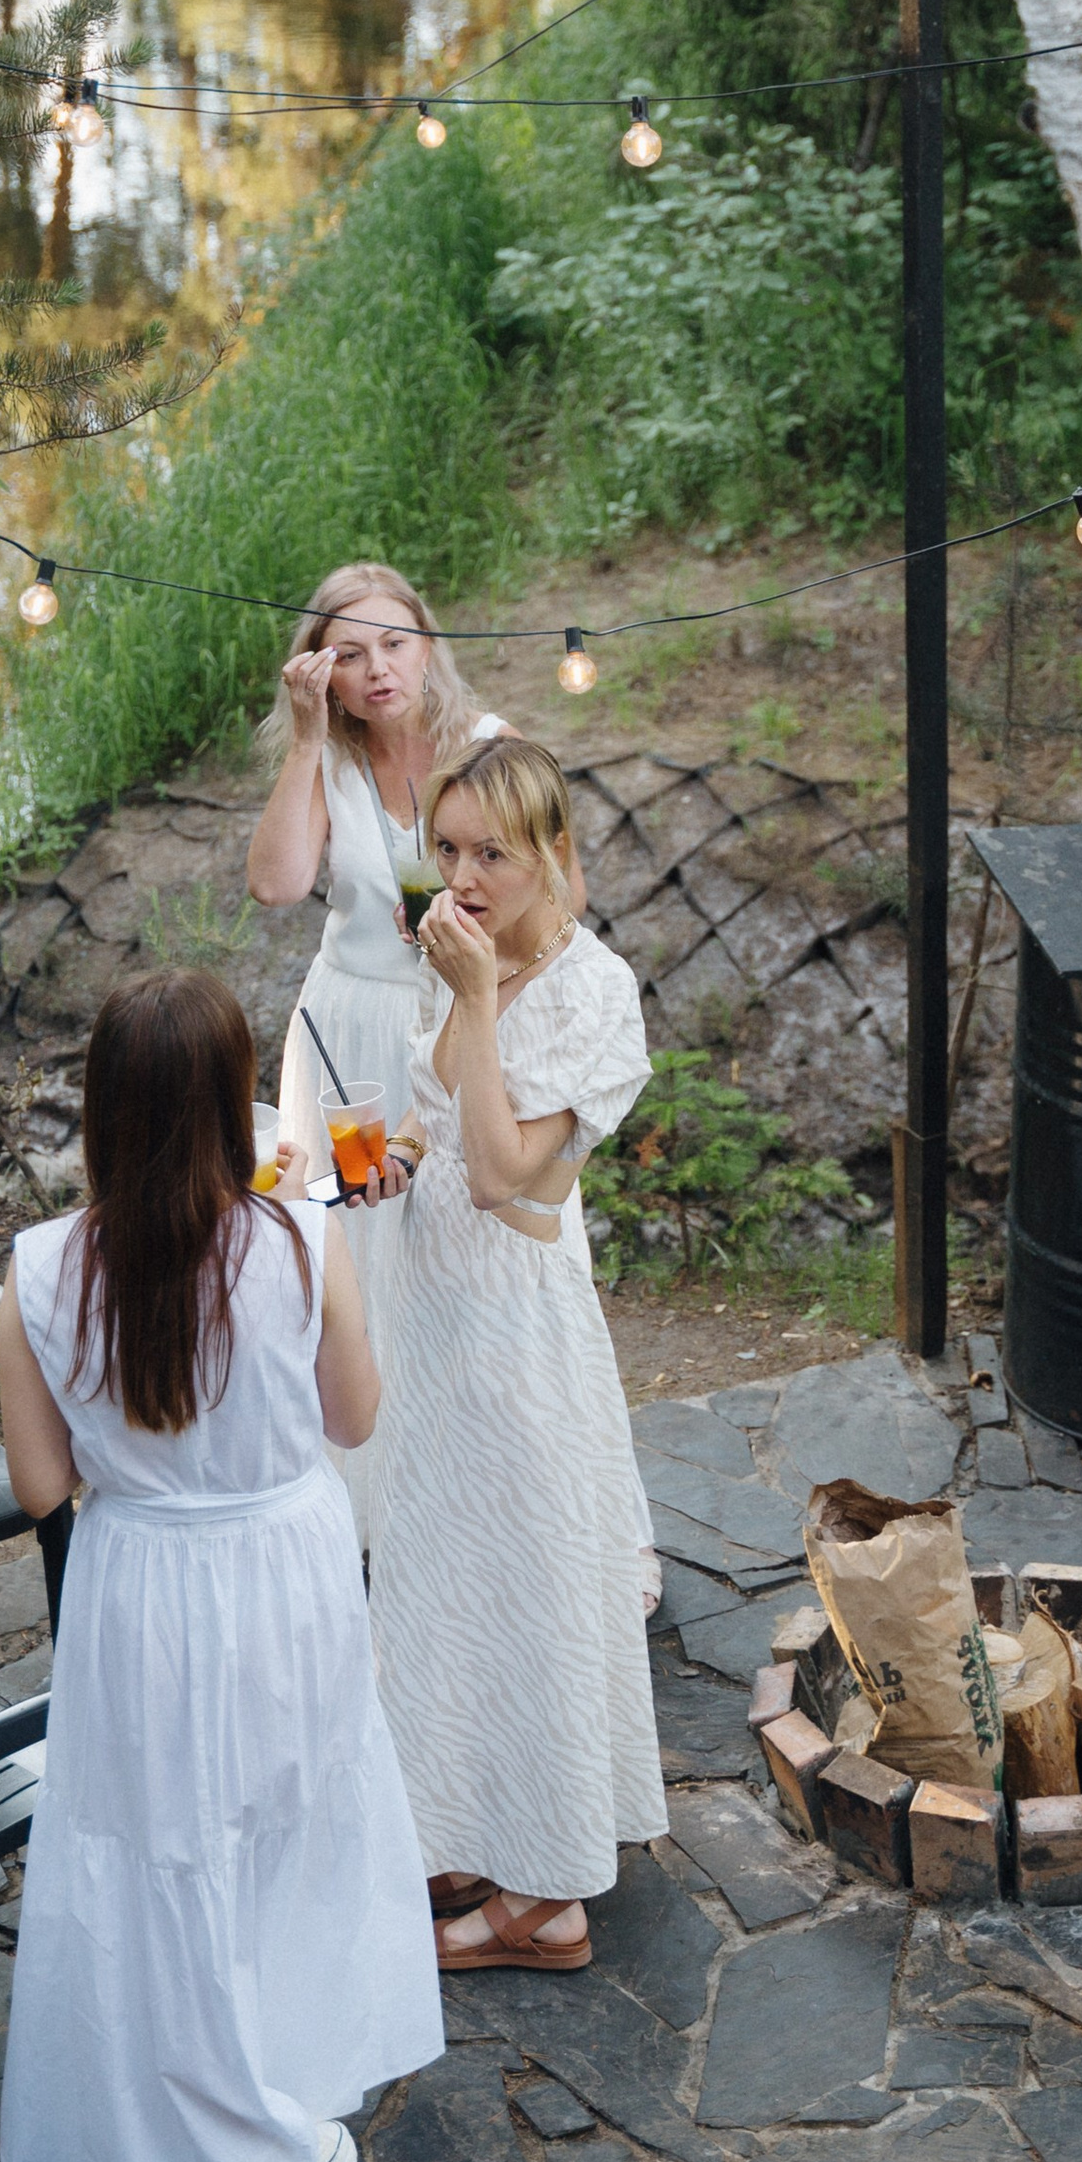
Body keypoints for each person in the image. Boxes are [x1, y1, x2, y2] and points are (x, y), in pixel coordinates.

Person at [0, 966, 440, 2162]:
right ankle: (267, 2093)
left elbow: (39, 1485)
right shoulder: (302, 1238)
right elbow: (354, 1417)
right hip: (285, 1569)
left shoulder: (37, 1269)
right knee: (282, 1824)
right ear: (227, 1109)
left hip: (139, 1579)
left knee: (155, 1845)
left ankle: (173, 2102)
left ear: (103, 1111)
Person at [367, 736, 665, 1971]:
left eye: (492, 850)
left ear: (552, 854)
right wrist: (389, 1155)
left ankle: (546, 1900)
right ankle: (459, 1827)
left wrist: (477, 997)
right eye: (446, 848)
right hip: (432, 1323)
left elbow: (504, 1174)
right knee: (445, 1585)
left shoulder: (596, 994)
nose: (463, 874)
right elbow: (446, 1134)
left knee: (532, 1595)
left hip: (519, 1334)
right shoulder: (455, 961)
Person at [244, 560, 610, 1561]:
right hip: (351, 1040)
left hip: (467, 1021)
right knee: (361, 1260)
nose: (376, 669)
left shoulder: (489, 749)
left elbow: (565, 897)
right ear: (321, 670)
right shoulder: (329, 757)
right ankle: (378, 1514)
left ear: (428, 644)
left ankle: (514, 1500)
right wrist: (310, 744)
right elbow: (276, 882)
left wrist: (484, 956)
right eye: (348, 653)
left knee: (490, 1256)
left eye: (394, 644)